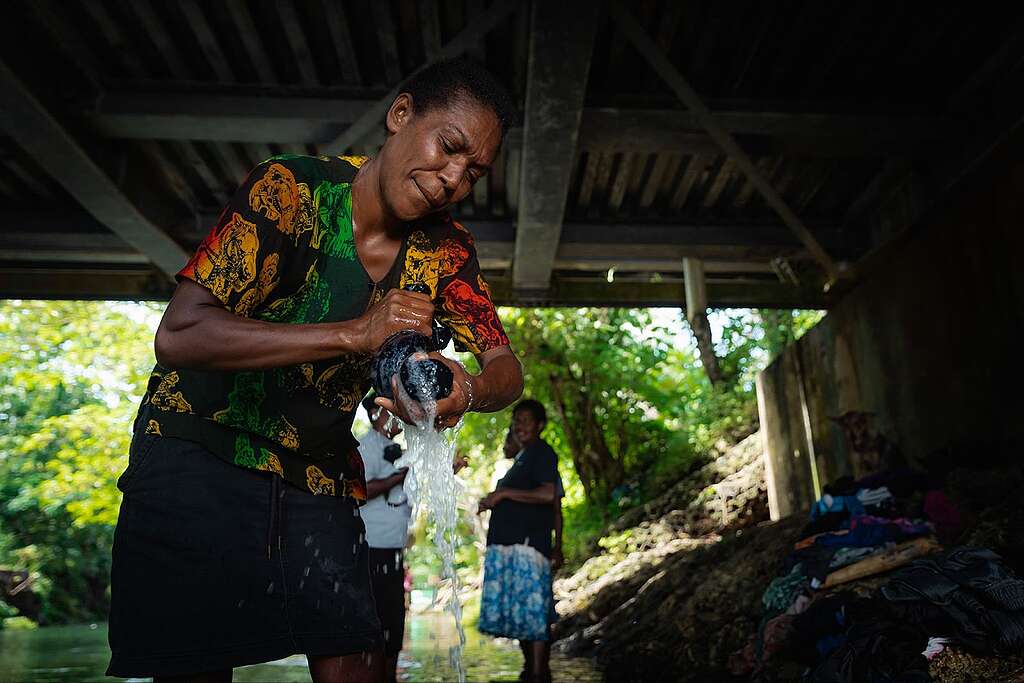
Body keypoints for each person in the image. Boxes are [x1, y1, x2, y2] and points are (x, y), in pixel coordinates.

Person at [106, 57, 523, 683]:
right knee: (191, 663)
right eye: (450, 147)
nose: (453, 178)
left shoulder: (446, 250)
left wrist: (467, 388)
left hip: (317, 471)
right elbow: (181, 334)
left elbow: (505, 367)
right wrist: (355, 333)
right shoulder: (290, 193)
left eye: (474, 171)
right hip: (197, 449)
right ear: (401, 114)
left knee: (354, 651)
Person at [357, 394, 467, 683]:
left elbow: (418, 483)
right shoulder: (366, 448)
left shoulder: (397, 449)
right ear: (375, 415)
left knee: (393, 620)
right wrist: (399, 475)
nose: (397, 416)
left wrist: (447, 470)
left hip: (393, 549)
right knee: (377, 620)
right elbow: (361, 491)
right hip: (373, 547)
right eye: (390, 412)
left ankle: (389, 675)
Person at [478, 400, 564, 683]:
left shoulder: (542, 452)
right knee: (524, 613)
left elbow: (547, 496)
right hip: (513, 547)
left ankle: (539, 672)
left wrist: (503, 495)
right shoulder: (524, 457)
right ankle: (531, 670)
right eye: (516, 420)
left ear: (539, 425)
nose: (519, 425)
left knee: (534, 611)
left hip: (529, 546)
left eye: (526, 420)